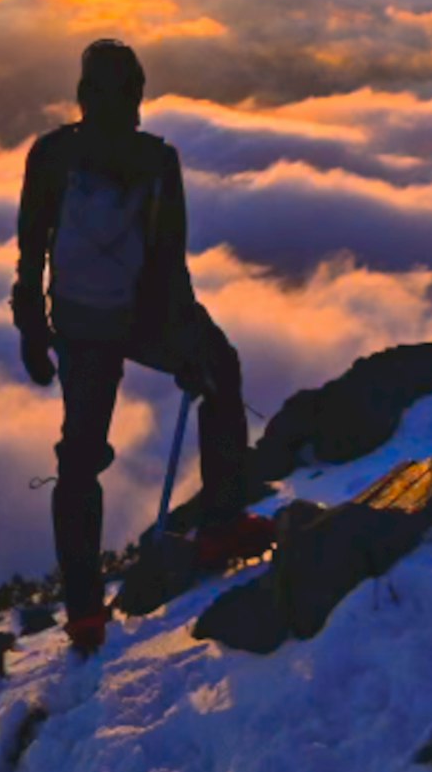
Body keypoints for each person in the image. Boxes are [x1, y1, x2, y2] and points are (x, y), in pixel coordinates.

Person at [15, 38, 278, 652]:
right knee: (224, 371)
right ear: (137, 95)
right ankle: (220, 523)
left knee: (79, 459)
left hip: (78, 324)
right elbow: (167, 263)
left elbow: (31, 250)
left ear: (82, 94)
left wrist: (33, 329)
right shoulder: (157, 160)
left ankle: (84, 612)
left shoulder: (51, 155)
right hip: (140, 318)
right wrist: (186, 347)